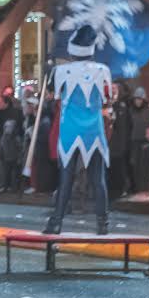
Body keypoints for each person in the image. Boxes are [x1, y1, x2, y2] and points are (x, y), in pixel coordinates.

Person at [44, 26, 115, 235]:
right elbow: (108, 97)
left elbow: (51, 96)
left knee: (66, 177)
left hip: (70, 130)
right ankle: (103, 224)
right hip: (93, 129)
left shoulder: (60, 72)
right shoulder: (103, 71)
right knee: (97, 178)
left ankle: (56, 222)